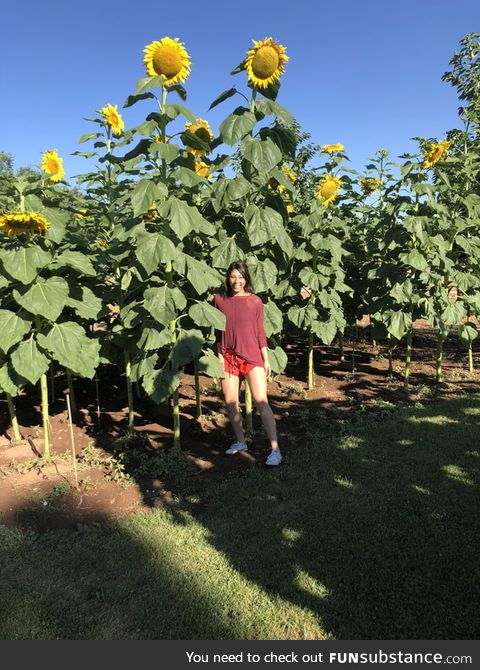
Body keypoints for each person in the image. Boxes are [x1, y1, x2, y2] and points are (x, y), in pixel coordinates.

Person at [213, 260, 282, 466]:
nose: (236, 281)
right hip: (228, 356)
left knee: (262, 402)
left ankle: (275, 450)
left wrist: (266, 359)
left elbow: (260, 332)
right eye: (233, 277)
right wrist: (218, 355)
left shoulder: (255, 301)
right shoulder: (219, 300)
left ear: (246, 279)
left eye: (240, 277)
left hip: (252, 356)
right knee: (231, 402)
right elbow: (218, 330)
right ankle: (241, 442)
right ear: (228, 278)